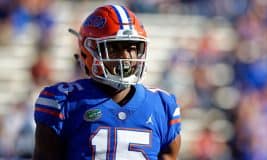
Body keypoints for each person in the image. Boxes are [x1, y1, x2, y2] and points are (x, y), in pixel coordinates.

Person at [33, 4, 181, 160]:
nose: (125, 57)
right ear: (88, 52)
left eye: (131, 48)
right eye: (114, 48)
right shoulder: (64, 101)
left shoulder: (163, 105)